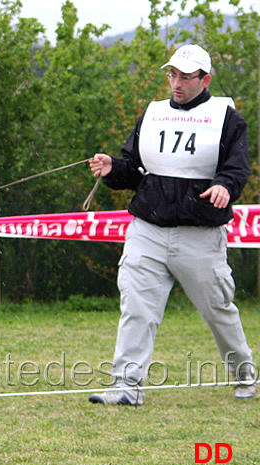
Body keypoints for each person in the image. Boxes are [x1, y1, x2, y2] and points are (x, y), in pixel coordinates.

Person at [87, 44, 256, 405]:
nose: (175, 83)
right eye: (172, 75)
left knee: (218, 310)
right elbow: (134, 167)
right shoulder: (154, 113)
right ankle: (126, 387)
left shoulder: (228, 119)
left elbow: (237, 170)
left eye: (184, 77)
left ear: (205, 79)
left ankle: (245, 374)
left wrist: (225, 187)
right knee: (137, 308)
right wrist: (113, 168)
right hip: (147, 230)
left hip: (200, 235)